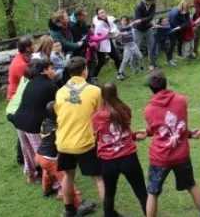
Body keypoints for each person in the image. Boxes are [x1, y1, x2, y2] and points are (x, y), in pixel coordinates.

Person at [143, 71, 200, 217]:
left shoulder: (149, 110)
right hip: (181, 155)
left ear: (151, 88)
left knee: (152, 192)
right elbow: (179, 124)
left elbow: (155, 128)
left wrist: (147, 131)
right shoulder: (181, 100)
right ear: (165, 83)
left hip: (160, 157)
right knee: (192, 185)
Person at [55, 57, 104, 217]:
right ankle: (110, 212)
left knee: (68, 175)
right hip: (85, 142)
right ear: (84, 71)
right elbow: (99, 116)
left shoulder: (60, 92)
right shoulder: (95, 91)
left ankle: (69, 211)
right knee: (99, 178)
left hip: (63, 142)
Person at [92, 83, 148, 217]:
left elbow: (100, 135)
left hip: (107, 161)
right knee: (141, 192)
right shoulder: (124, 110)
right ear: (116, 93)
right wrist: (133, 136)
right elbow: (124, 129)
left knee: (109, 194)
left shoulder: (96, 116)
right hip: (128, 157)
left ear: (102, 95)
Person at [36, 102, 96, 216]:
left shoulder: (45, 122)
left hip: (39, 155)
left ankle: (47, 189)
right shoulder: (58, 128)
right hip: (51, 158)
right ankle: (79, 206)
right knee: (66, 179)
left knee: (47, 172)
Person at [13, 59, 59, 183]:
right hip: (31, 125)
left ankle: (31, 175)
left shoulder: (31, 82)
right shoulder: (50, 86)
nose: (54, 71)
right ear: (44, 70)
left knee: (27, 150)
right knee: (41, 152)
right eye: (52, 69)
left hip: (19, 121)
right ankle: (52, 181)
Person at [7, 36, 34, 166]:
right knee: (22, 129)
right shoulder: (20, 65)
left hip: (20, 97)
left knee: (21, 129)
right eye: (33, 45)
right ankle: (21, 158)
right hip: (17, 99)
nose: (34, 47)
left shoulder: (23, 58)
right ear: (28, 48)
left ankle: (21, 158)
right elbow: (30, 82)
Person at [92, 8, 122, 80]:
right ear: (98, 15)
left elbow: (113, 28)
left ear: (106, 12)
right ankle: (93, 77)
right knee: (101, 61)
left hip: (108, 41)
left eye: (103, 12)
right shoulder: (98, 24)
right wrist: (112, 32)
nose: (102, 14)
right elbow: (106, 34)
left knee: (116, 58)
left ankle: (120, 74)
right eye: (100, 13)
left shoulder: (109, 19)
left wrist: (112, 31)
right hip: (100, 44)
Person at [133, 0, 158, 71]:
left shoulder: (153, 5)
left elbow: (151, 17)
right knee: (136, 47)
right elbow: (138, 21)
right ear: (148, 0)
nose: (154, 2)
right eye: (153, 0)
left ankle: (151, 64)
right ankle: (134, 64)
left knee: (151, 46)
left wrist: (141, 20)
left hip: (148, 28)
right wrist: (142, 20)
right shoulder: (138, 6)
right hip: (138, 30)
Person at [117, 15, 144, 80]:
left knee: (140, 57)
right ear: (121, 21)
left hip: (133, 46)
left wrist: (131, 24)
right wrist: (121, 34)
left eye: (125, 20)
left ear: (127, 21)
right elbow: (118, 31)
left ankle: (141, 68)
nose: (124, 21)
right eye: (122, 20)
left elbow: (128, 30)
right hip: (127, 47)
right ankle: (119, 74)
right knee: (124, 61)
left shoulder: (129, 27)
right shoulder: (120, 28)